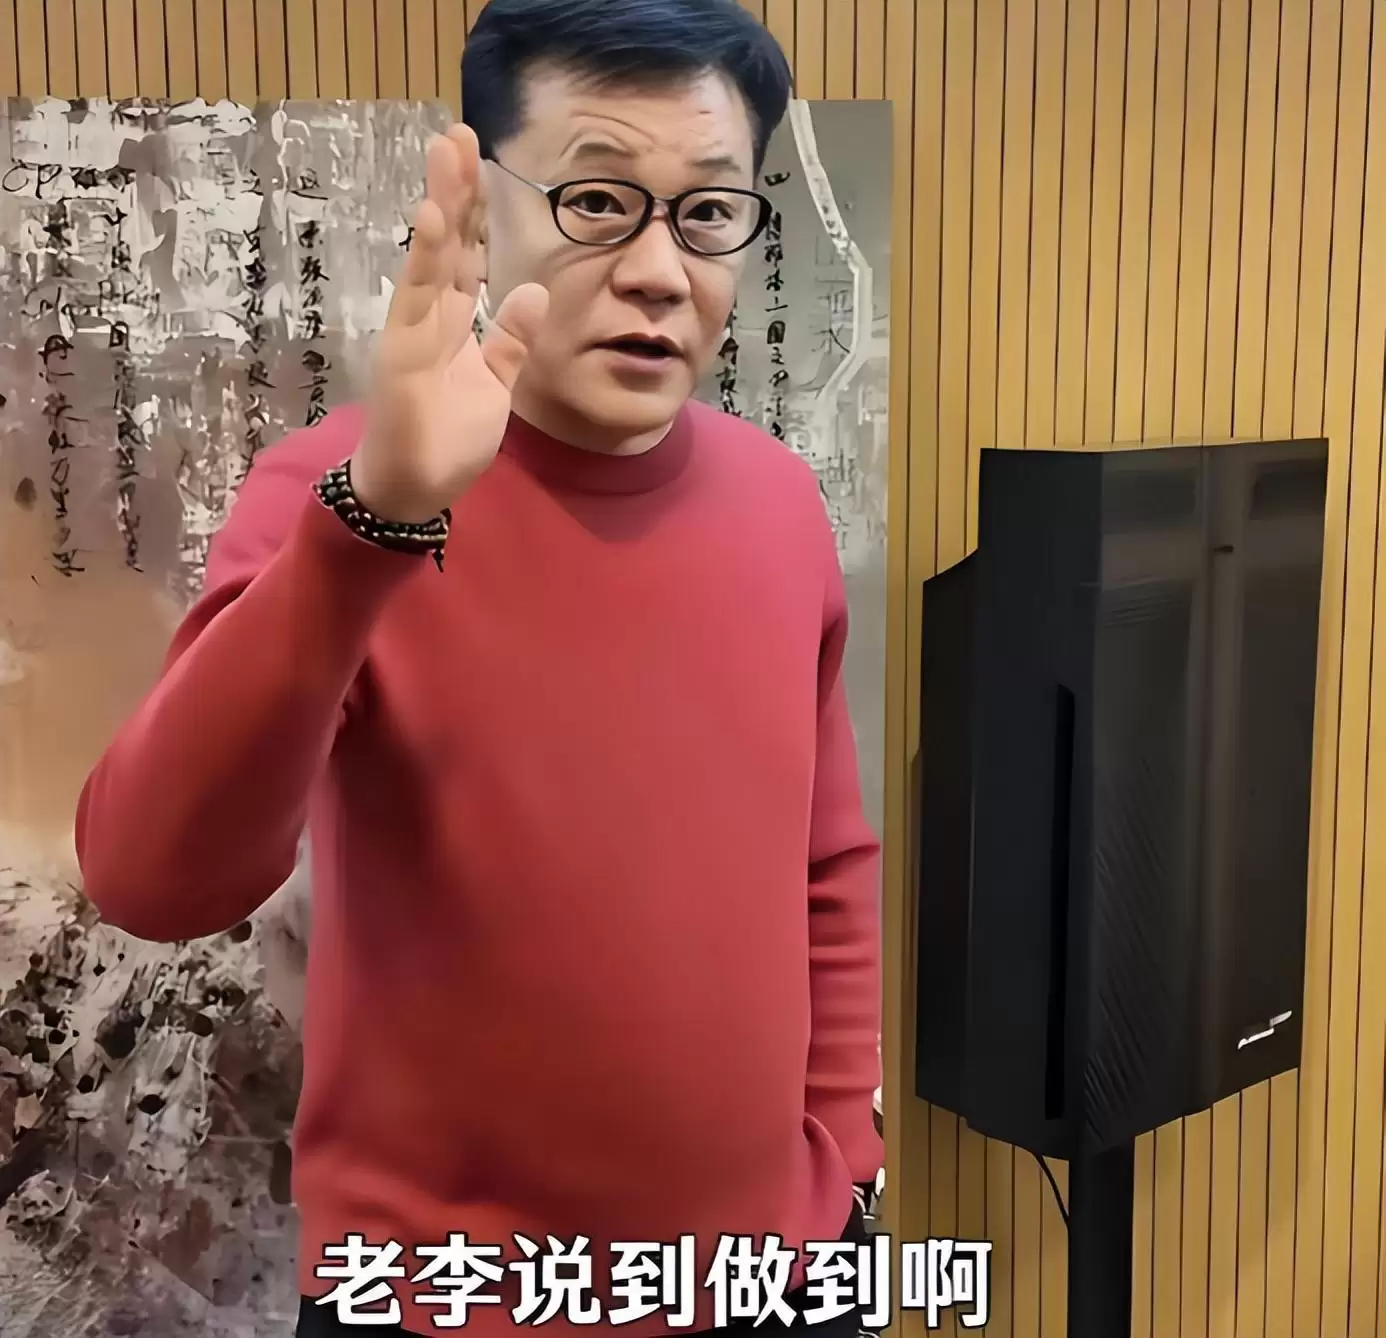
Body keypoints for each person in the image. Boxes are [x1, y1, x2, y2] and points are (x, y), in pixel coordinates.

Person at [74, 0, 884, 1334]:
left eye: (706, 213)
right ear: (482, 197)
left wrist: (843, 1165)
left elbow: (826, 863)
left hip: (772, 1279)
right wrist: (372, 526)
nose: (658, 270)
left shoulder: (779, 501)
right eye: (596, 202)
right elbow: (150, 878)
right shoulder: (337, 494)